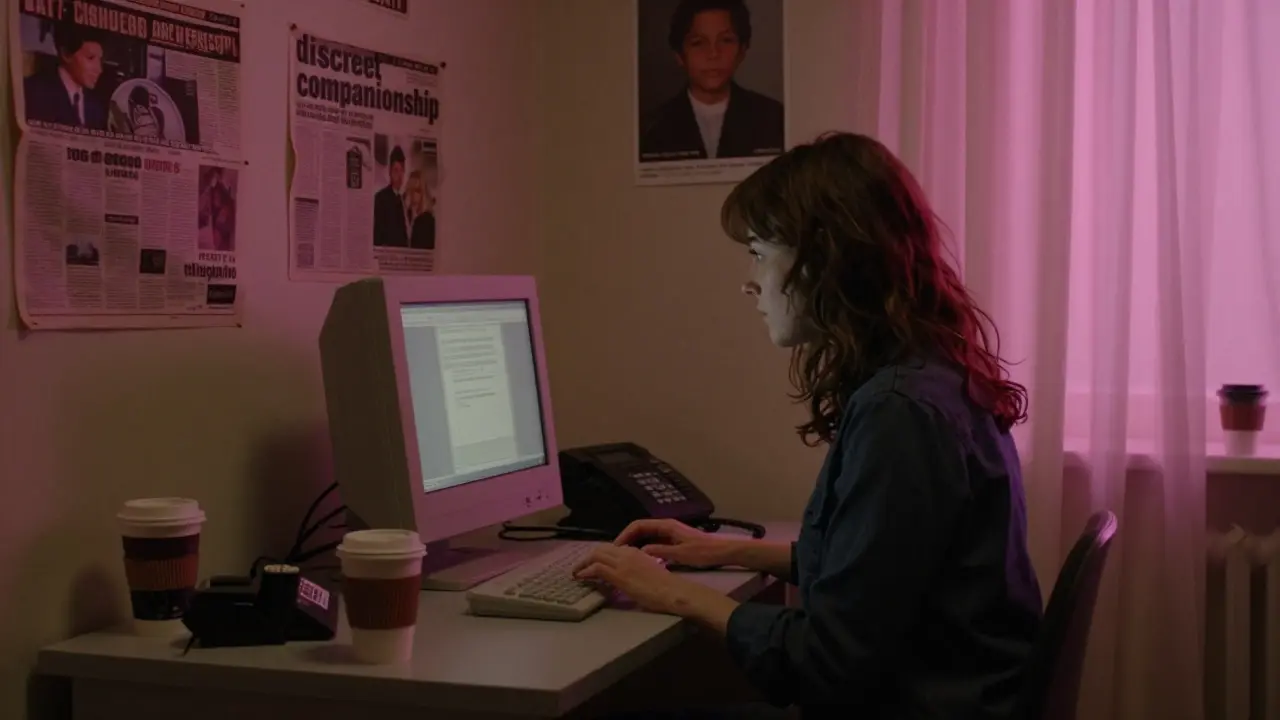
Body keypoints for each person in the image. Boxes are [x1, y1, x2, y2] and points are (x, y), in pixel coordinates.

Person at [575, 132, 1044, 719]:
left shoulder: (900, 413)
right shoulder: (930, 375)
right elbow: (880, 571)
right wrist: (721, 552)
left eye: (758, 252)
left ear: (822, 257)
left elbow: (827, 658)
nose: (749, 282)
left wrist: (668, 590)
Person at [639, 0, 784, 162]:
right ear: (679, 55)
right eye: (698, 43)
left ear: (742, 51)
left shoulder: (774, 118)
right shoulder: (649, 128)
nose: (713, 54)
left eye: (726, 40)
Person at [24, 22, 108, 130]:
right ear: (66, 54)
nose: (99, 69)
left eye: (100, 59)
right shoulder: (33, 91)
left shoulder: (97, 107)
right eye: (90, 58)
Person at [373, 146, 408, 247]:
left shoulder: (406, 200)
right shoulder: (380, 198)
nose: (399, 175)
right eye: (396, 170)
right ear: (390, 172)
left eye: (402, 170)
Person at [404, 170, 436, 250]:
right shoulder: (407, 217)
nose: (413, 195)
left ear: (423, 192)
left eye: (417, 190)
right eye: (410, 189)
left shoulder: (427, 220)